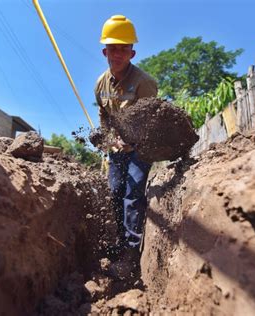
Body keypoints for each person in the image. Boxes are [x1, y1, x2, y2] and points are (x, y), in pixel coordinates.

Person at [94, 15, 158, 277]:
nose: (118, 53)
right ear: (104, 51)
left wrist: (131, 141)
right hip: (116, 150)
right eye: (113, 48)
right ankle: (119, 244)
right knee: (114, 194)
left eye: (124, 48)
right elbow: (104, 118)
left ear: (132, 52)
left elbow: (151, 121)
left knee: (132, 196)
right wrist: (108, 140)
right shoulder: (100, 85)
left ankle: (132, 256)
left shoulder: (144, 83)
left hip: (140, 150)